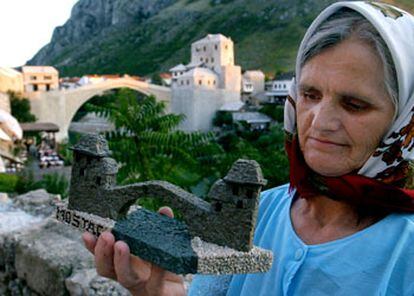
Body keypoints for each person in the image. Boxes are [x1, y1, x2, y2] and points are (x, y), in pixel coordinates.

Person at [83, 1, 414, 295]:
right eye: (310, 95)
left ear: (404, 119)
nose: (320, 121)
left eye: (354, 104)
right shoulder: (259, 213)